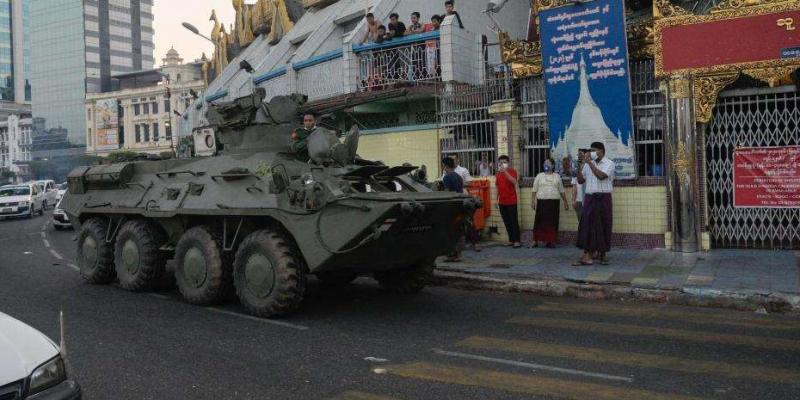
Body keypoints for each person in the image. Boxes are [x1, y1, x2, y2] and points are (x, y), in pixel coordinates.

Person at [574, 142, 616, 266]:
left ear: (601, 151)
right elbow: (581, 181)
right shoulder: (587, 165)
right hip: (590, 197)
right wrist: (579, 165)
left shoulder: (609, 163)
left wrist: (589, 163)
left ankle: (603, 254)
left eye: (593, 150)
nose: (591, 153)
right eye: (590, 150)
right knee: (587, 225)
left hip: (603, 198)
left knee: (604, 225)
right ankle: (589, 252)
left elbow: (601, 176)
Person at [531, 158, 569, 248]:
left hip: (553, 203)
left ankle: (550, 241)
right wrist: (532, 201)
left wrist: (565, 202)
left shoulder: (557, 176)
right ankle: (535, 241)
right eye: (544, 163)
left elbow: (561, 190)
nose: (546, 165)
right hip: (542, 202)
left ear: (553, 166)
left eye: (548, 163)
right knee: (539, 222)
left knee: (552, 222)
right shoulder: (539, 176)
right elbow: (534, 189)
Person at [495, 155, 521, 248]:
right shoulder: (498, 174)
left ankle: (517, 240)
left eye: (504, 162)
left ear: (508, 163)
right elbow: (497, 187)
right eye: (500, 162)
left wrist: (505, 172)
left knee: (513, 221)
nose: (502, 164)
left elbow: (514, 182)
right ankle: (511, 240)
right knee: (506, 221)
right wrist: (495, 199)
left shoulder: (512, 171)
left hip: (511, 201)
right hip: (502, 201)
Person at [442, 157, 465, 261]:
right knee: (459, 229)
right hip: (460, 206)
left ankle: (451, 254)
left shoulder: (446, 178)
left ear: (446, 166)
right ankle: (459, 254)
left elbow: (447, 193)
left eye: (443, 165)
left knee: (449, 231)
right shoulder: (458, 176)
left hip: (451, 207)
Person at [570, 150, 587, 222]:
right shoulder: (576, 171)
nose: (580, 157)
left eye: (582, 155)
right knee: (581, 221)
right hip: (579, 200)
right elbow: (574, 186)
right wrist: (573, 200)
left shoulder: (591, 168)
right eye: (578, 156)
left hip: (589, 200)